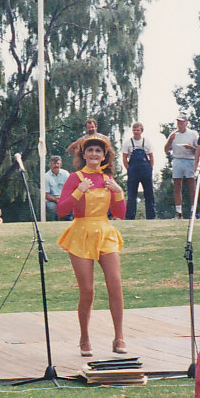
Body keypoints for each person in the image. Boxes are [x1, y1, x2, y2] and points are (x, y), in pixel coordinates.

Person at [56, 136, 127, 357]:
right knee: (87, 290)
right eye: (91, 151)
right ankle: (85, 338)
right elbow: (61, 210)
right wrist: (80, 191)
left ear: (104, 156)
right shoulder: (75, 178)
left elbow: (120, 214)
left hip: (105, 232)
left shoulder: (108, 178)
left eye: (99, 151)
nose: (95, 154)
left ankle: (119, 337)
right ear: (83, 154)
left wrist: (118, 191)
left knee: (115, 284)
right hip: (81, 233)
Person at [163, 115, 199, 219]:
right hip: (177, 159)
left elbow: (197, 149)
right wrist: (170, 140)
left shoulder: (193, 134)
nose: (180, 125)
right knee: (177, 185)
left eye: (182, 123)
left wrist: (191, 147)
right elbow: (166, 150)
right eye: (178, 123)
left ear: (186, 123)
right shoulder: (173, 134)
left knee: (192, 185)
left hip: (190, 159)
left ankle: (193, 210)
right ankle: (178, 211)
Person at [121, 121, 155, 220]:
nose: (136, 132)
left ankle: (151, 217)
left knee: (149, 194)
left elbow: (151, 157)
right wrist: (129, 169)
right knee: (132, 195)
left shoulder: (146, 142)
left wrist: (150, 169)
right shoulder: (128, 142)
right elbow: (124, 157)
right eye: (134, 130)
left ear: (141, 131)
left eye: (138, 130)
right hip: (133, 171)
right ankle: (130, 217)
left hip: (145, 170)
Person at [44, 155, 71, 221]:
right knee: (52, 207)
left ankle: (69, 219)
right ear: (50, 165)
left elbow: (71, 189)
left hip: (65, 198)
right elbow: (46, 194)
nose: (56, 165)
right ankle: (56, 219)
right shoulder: (46, 176)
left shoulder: (66, 174)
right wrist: (55, 200)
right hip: (52, 200)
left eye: (58, 163)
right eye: (54, 163)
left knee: (75, 202)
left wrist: (63, 198)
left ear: (60, 164)